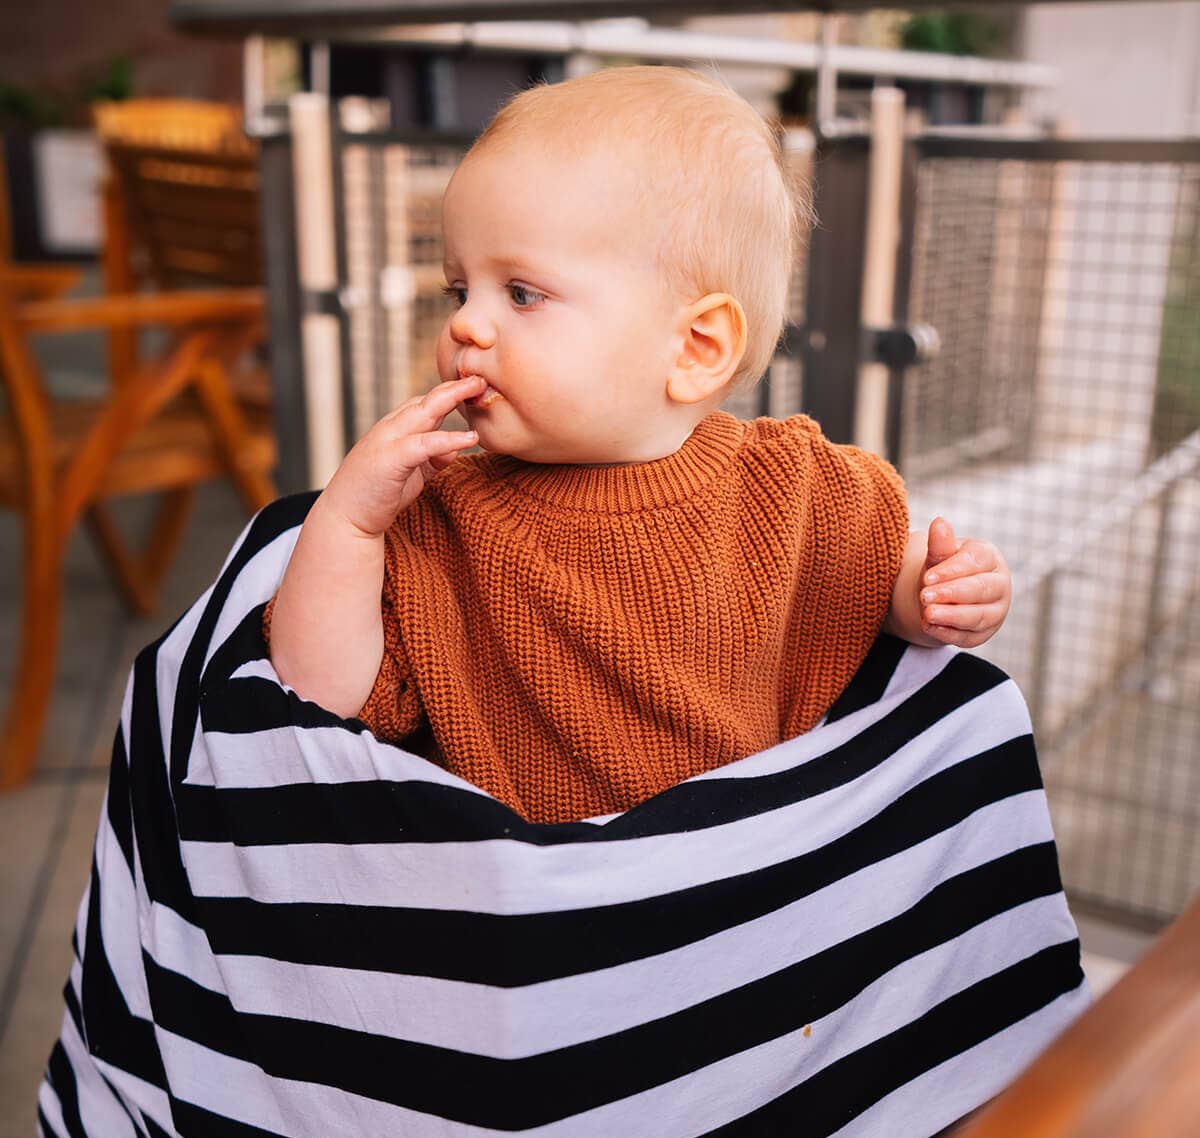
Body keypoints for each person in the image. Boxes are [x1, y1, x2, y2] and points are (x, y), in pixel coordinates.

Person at [264, 65, 1011, 824]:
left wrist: (937, 592)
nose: (466, 325)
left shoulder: (791, 484)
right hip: (534, 912)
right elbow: (313, 700)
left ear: (693, 348)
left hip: (744, 884)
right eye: (461, 290)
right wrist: (349, 524)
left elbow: (872, 577)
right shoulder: (436, 522)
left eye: (521, 293)